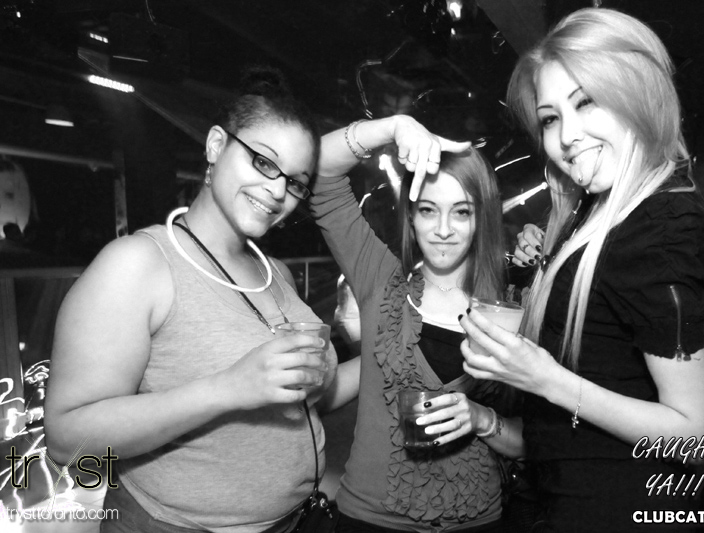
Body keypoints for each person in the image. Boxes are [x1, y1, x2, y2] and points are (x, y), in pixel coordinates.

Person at [44, 67, 337, 533]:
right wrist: (227, 388)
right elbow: (66, 440)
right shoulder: (138, 263)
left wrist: (395, 350)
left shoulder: (277, 274)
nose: (279, 190)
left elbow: (306, 401)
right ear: (216, 146)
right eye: (264, 162)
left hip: (294, 521)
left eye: (296, 181)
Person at [459, 8, 704, 532]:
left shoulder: (658, 226)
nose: (566, 136)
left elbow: (695, 438)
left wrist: (547, 379)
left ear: (637, 93)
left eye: (586, 102)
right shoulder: (604, 210)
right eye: (550, 118)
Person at [310, 117, 526, 532]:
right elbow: (318, 175)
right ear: (410, 217)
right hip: (371, 521)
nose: (443, 230)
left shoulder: (512, 310)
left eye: (461, 212)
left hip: (478, 523)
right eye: (429, 211)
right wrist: (394, 127)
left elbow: (534, 443)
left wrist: (481, 419)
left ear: (481, 218)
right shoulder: (380, 280)